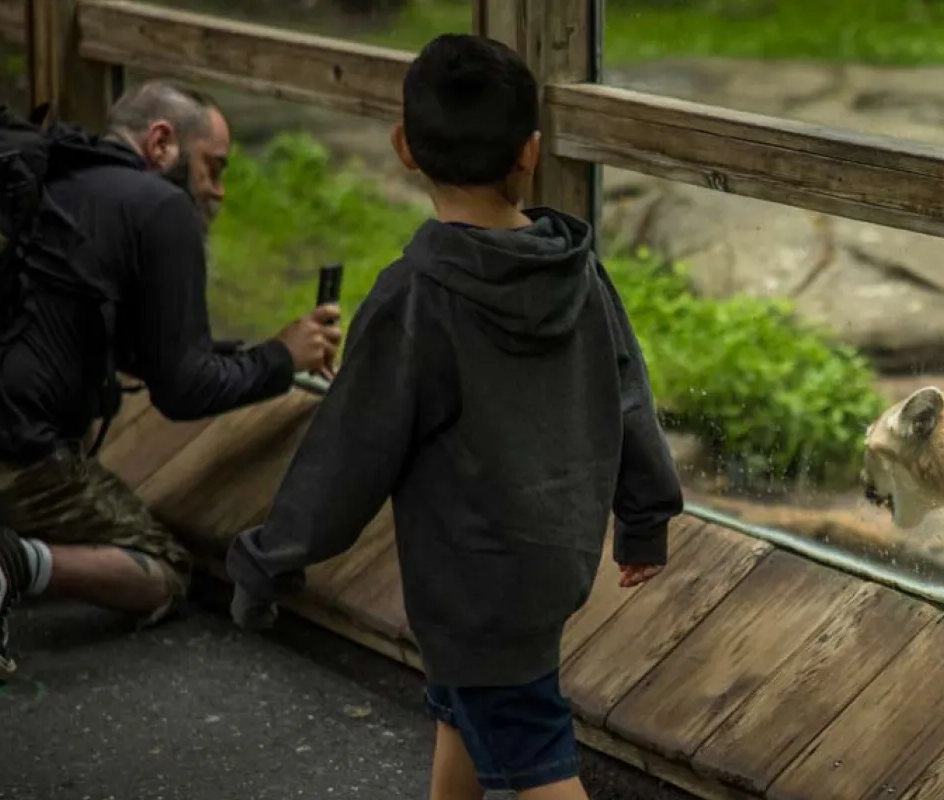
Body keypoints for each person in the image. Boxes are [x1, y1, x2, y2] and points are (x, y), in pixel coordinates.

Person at [222, 34, 683, 800]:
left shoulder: (416, 295)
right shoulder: (578, 270)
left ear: (404, 147)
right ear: (530, 153)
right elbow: (629, 392)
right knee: (462, 711)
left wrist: (269, 561)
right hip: (549, 559)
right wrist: (644, 517)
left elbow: (348, 452)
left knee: (531, 752)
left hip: (474, 581)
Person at [0, 79, 343, 682]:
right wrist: (281, 356)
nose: (216, 191)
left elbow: (146, 349)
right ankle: (9, 560)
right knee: (164, 566)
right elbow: (184, 389)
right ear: (163, 142)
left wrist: (271, 348)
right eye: (213, 167)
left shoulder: (46, 175)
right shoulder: (161, 208)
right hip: (7, 455)